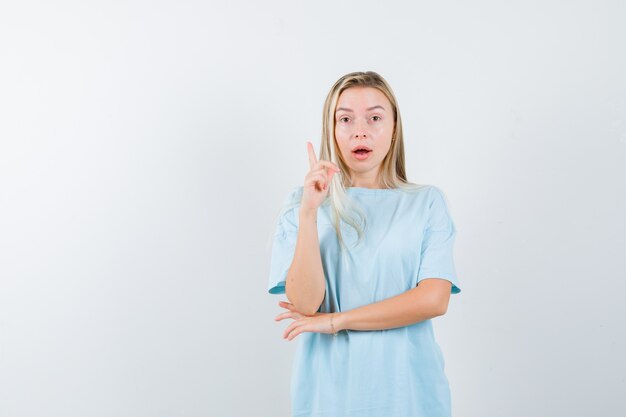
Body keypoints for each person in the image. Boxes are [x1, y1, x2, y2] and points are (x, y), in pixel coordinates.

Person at [267, 71, 461, 417]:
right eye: (346, 119)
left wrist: (336, 321)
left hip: (409, 393)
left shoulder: (427, 202)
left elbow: (434, 298)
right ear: (332, 129)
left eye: (374, 118)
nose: (360, 130)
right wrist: (309, 213)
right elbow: (305, 304)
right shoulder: (301, 205)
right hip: (328, 394)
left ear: (394, 129)